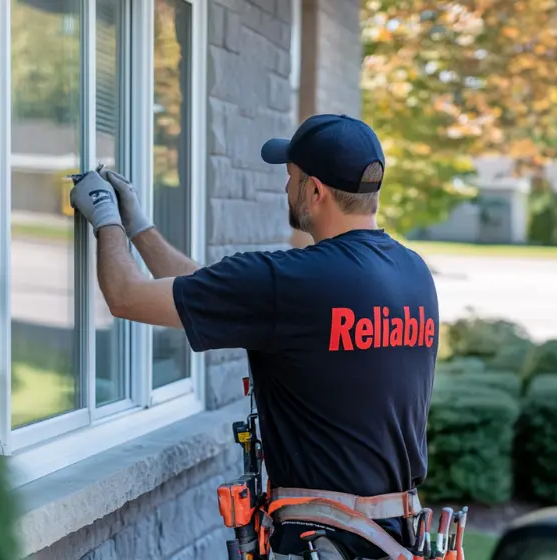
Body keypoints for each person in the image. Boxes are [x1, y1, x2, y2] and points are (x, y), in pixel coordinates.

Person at [69, 114, 439, 559]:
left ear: (315, 190)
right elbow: (211, 294)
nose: (286, 189)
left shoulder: (293, 282)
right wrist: (140, 228)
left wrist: (105, 218)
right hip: (396, 538)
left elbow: (127, 298)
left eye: (291, 178)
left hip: (326, 545)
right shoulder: (414, 274)